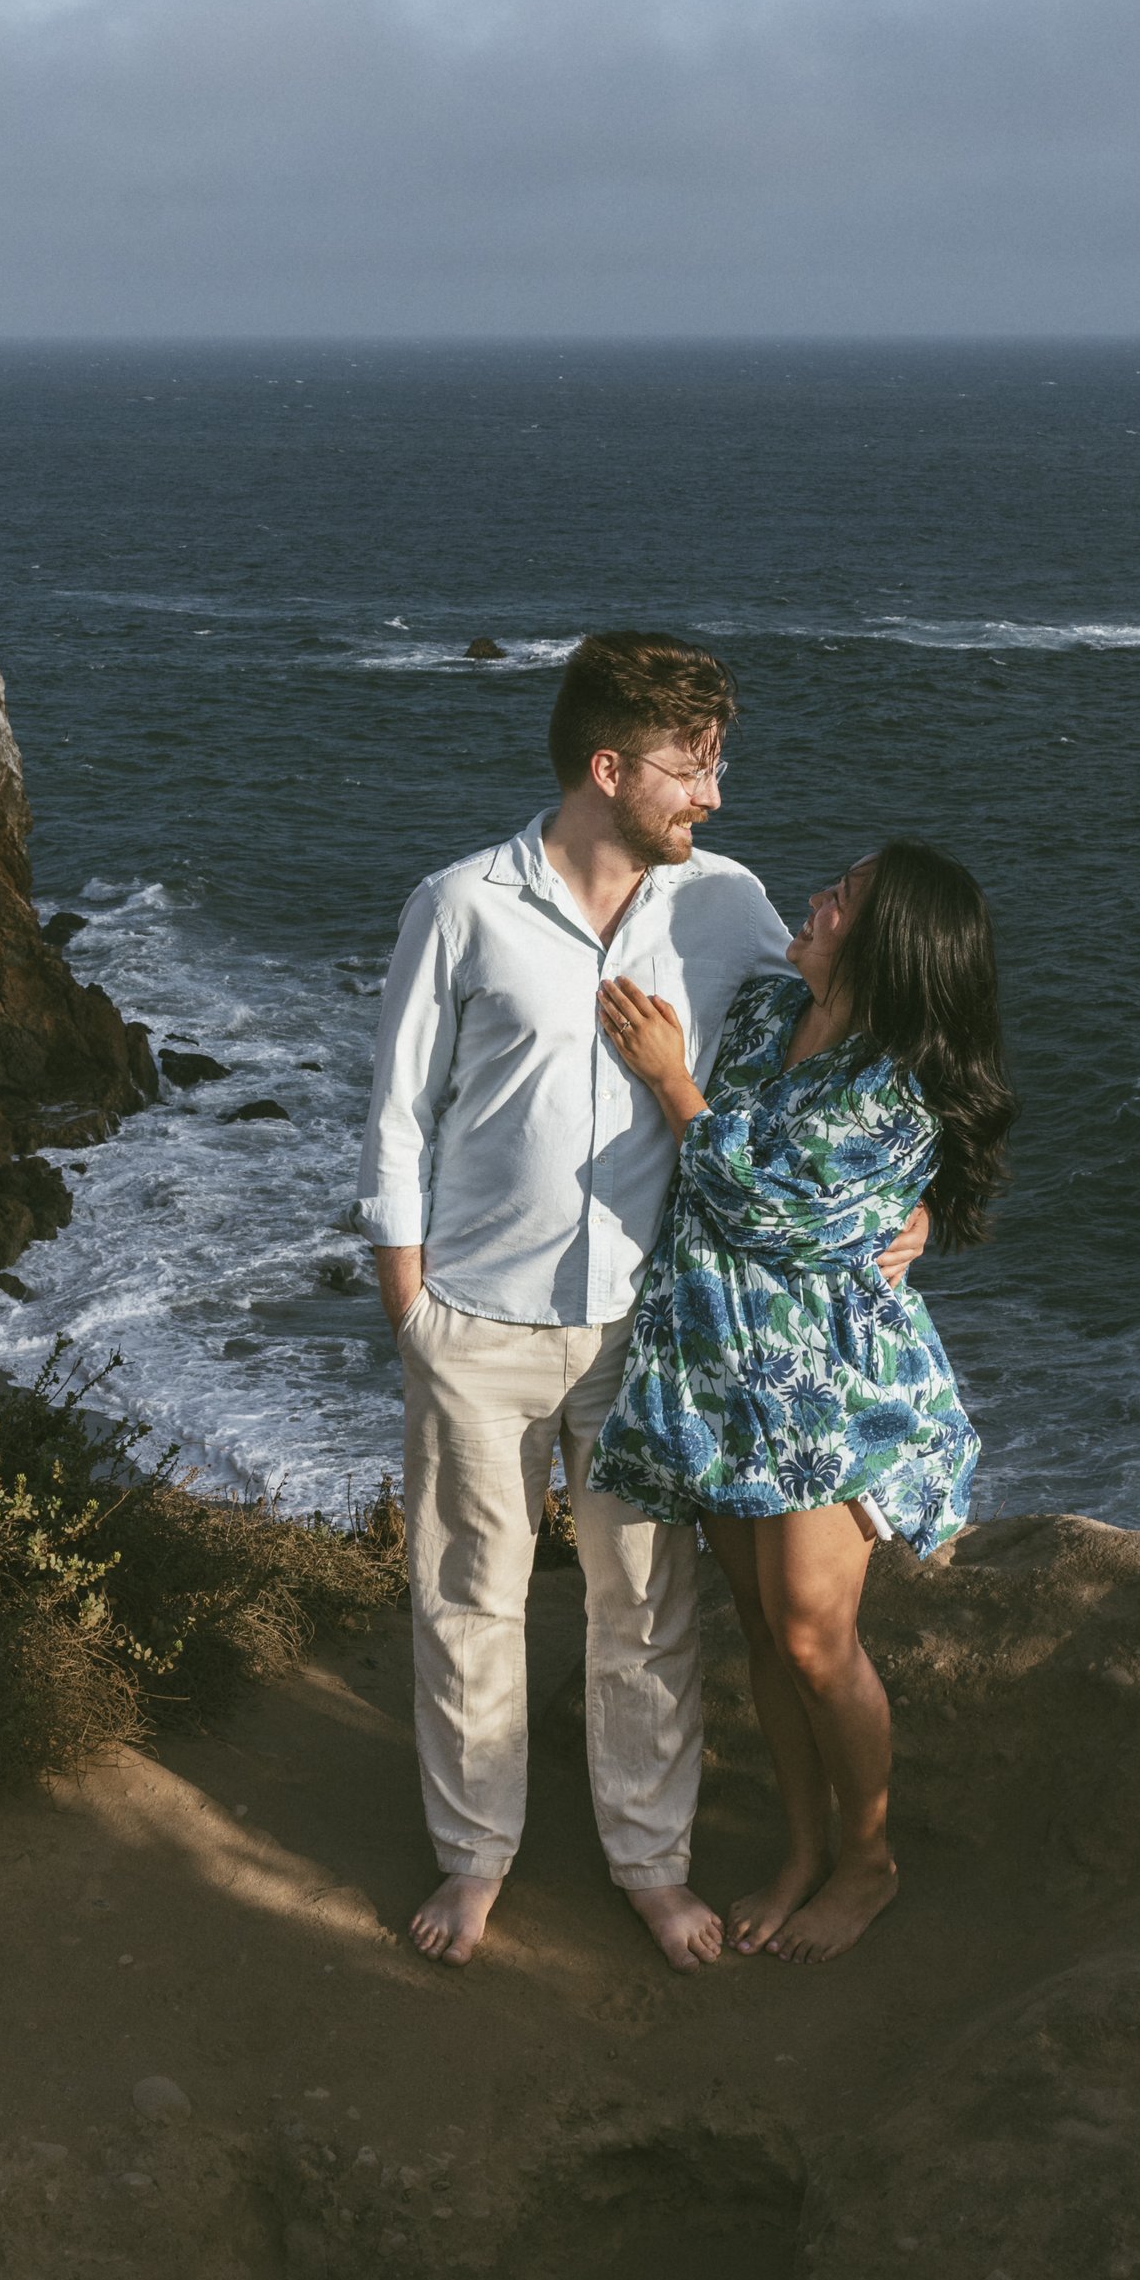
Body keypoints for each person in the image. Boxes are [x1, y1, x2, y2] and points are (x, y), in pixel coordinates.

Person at [357, 632, 927, 1972]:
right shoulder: (461, 904)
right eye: (691, 766)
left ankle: (649, 1863)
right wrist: (411, 1309)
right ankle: (475, 1854)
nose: (713, 794)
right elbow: (395, 1117)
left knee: (645, 1611)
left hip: (648, 1336)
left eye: (717, 764)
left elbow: (845, 1056)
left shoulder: (726, 904)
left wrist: (918, 1205)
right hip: (476, 1323)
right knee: (467, 1599)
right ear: (609, 768)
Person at [591, 840, 1011, 1960]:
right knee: (769, 1637)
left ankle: (867, 1861)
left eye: (845, 901)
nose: (818, 900)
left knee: (818, 1639)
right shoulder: (770, 1010)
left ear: (891, 947)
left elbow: (755, 1202)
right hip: (723, 1380)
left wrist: (670, 1082)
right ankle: (799, 1849)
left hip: (830, 1397)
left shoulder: (894, 1090)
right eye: (836, 886)